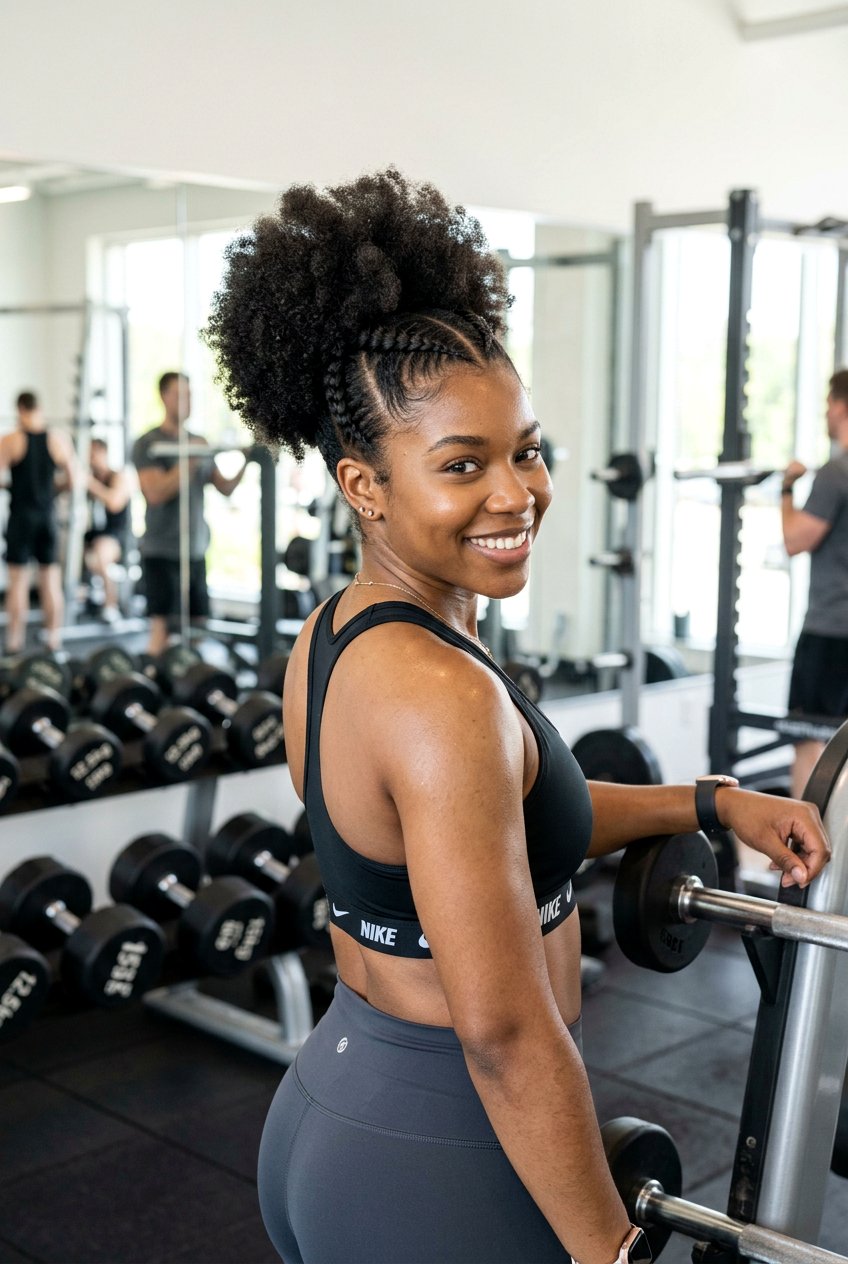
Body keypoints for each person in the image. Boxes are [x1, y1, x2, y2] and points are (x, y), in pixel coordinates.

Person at [205, 169, 831, 1264]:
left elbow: (473, 849)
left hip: (340, 1098)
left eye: (524, 448)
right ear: (363, 484)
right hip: (442, 1147)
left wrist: (707, 799)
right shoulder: (441, 696)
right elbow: (500, 1029)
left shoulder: (336, 634)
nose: (516, 493)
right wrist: (607, 1247)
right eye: (462, 465)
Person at [131, 371, 249, 654]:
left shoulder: (199, 441)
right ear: (164, 397)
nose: (187, 401)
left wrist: (247, 458)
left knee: (198, 626)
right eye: (180, 394)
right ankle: (156, 686)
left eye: (191, 395)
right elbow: (155, 493)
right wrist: (191, 458)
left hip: (195, 548)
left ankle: (190, 683)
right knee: (160, 629)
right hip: (161, 549)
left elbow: (225, 488)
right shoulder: (147, 443)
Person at [782, 368, 848, 798]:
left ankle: (800, 849)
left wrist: (786, 488)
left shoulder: (834, 473)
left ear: (841, 406)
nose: (826, 412)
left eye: (828, 404)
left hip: (829, 632)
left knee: (809, 739)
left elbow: (794, 540)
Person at [0, 391, 78, 653]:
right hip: (48, 517)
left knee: (18, 582)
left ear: (20, 408)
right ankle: (53, 640)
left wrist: (13, 486)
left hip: (21, 517)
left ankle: (14, 643)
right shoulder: (58, 440)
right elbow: (72, 479)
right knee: (50, 581)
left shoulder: (11, 440)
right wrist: (51, 490)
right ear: (39, 408)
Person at [84, 436, 131, 623]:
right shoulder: (90, 476)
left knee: (101, 554)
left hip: (117, 535)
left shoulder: (118, 476)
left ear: (104, 453)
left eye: (94, 453)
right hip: (94, 534)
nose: (90, 457)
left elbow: (114, 502)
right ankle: (86, 595)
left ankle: (111, 605)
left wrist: (90, 484)